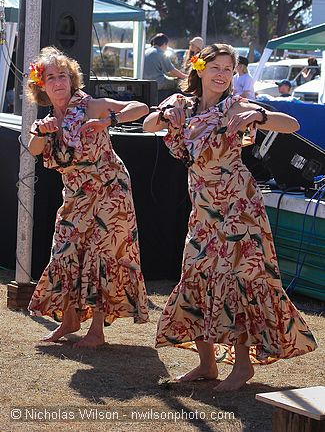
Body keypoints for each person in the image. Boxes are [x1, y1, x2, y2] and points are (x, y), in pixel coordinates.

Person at [143, 43, 317, 391]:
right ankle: (207, 364)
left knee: (239, 279)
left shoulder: (235, 105)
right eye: (215, 67)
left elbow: (292, 123)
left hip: (239, 206)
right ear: (200, 69)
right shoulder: (184, 105)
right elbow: (148, 125)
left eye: (228, 68)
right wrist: (166, 116)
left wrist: (259, 116)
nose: (222, 74)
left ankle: (242, 366)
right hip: (203, 207)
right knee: (196, 275)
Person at [27, 46, 149, 348]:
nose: (58, 82)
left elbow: (140, 107)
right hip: (76, 196)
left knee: (101, 256)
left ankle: (97, 330)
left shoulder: (89, 105)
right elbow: (33, 150)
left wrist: (109, 121)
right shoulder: (47, 120)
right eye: (51, 77)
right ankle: (69, 320)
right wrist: (42, 132)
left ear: (72, 79)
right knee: (65, 252)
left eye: (63, 76)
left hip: (110, 190)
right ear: (41, 85)